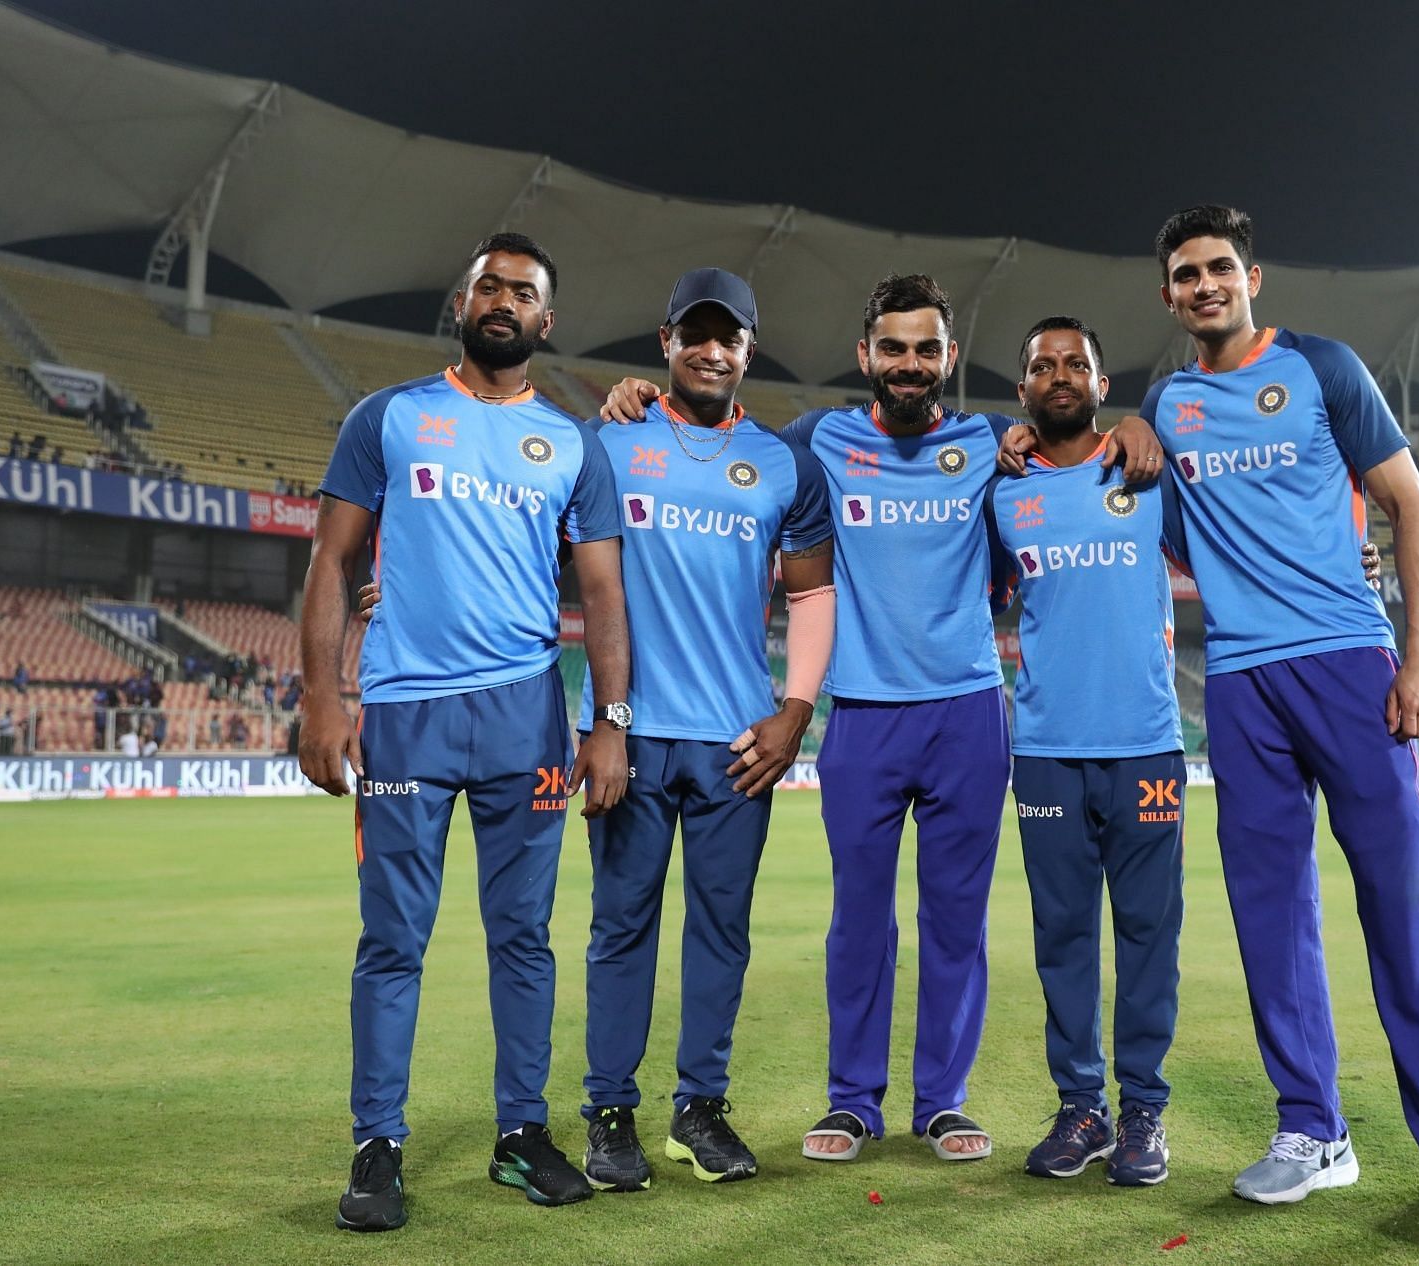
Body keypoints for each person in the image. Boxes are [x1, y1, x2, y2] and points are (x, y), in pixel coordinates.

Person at [1005, 205, 1419, 1239]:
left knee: (1398, 906)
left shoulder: (1325, 367)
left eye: (1219, 269)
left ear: (1252, 278)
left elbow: (1408, 505)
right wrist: (1117, 427)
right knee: (1271, 917)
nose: (1204, 285)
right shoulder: (1168, 404)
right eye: (1186, 274)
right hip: (1240, 685)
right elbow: (1174, 529)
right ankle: (1312, 1132)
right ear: (1168, 295)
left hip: (1346, 666)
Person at [600, 275, 1164, 1165]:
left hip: (969, 713)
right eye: (893, 348)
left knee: (956, 920)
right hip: (860, 715)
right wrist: (642, 399)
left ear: (948, 360)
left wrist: (1133, 423)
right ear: (866, 356)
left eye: (927, 349)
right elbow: (719, 440)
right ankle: (853, 1101)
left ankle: (941, 1101)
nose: (910, 364)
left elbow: (1067, 455)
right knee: (860, 917)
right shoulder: (813, 442)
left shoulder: (990, 444)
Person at [360, 267, 836, 1193]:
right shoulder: (606, 438)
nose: (711, 349)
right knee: (619, 929)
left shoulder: (785, 462)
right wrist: (401, 595)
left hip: (740, 737)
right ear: (665, 343)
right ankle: (609, 1117)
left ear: (746, 349)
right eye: (693, 334)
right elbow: (514, 535)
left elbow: (813, 593)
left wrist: (793, 710)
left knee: (722, 932)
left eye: (729, 336)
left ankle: (700, 1109)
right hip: (631, 731)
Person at [301, 232, 630, 1231]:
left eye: (524, 291)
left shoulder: (573, 443)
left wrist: (609, 721)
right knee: (392, 938)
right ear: (462, 301)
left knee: (522, 936)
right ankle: (377, 1145)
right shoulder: (389, 417)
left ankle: (520, 1136)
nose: (504, 300)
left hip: (526, 710)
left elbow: (606, 592)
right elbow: (331, 560)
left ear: (547, 320)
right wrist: (322, 695)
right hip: (404, 711)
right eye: (490, 283)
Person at [984, 317, 1188, 1188]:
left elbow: (1241, 544)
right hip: (1046, 752)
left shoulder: (1150, 471)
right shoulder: (1002, 490)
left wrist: (1147, 427)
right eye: (1042, 366)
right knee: (1062, 936)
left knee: (1149, 936)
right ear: (1022, 389)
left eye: (1076, 363)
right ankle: (1081, 1109)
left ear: (1103, 383)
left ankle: (1142, 1110)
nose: (1059, 374)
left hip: (1146, 745)